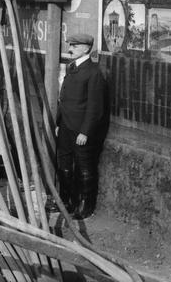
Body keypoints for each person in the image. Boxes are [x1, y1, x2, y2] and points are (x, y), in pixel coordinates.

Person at [54, 33, 109, 220]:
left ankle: (85, 206)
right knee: (64, 164)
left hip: (80, 131)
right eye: (71, 45)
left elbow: (95, 107)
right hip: (65, 127)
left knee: (85, 167)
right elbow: (64, 99)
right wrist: (58, 123)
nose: (70, 49)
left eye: (74, 46)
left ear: (86, 49)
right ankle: (66, 201)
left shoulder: (93, 73)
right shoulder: (72, 68)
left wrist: (85, 132)